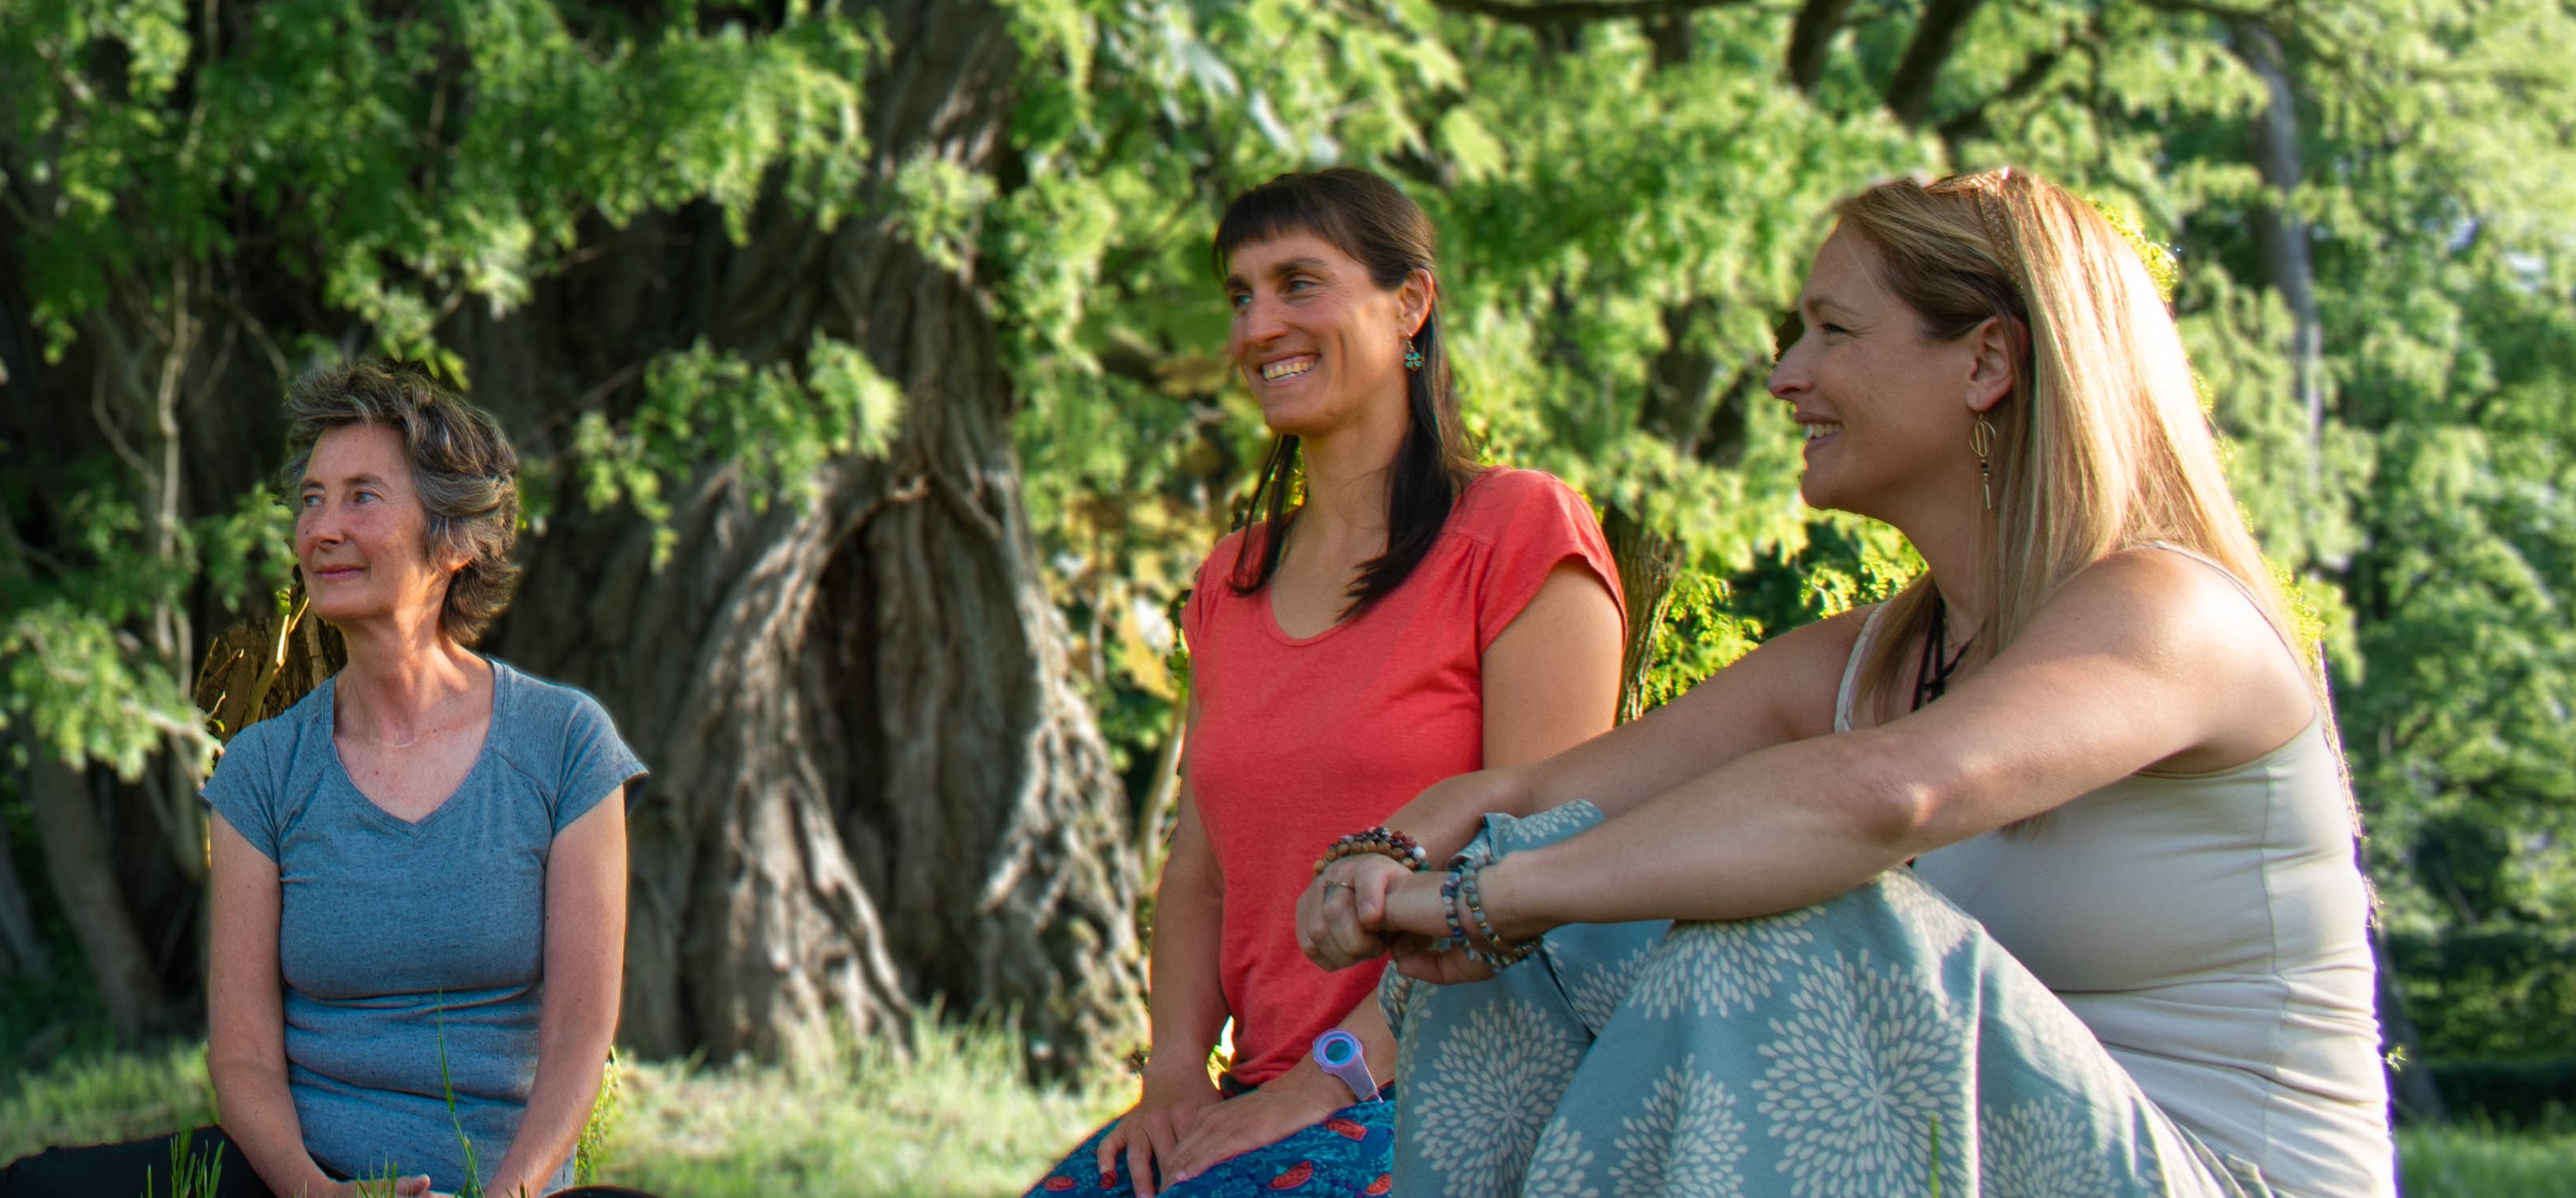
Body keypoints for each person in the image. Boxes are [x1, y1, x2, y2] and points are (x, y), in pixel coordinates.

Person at [1300, 168, 2388, 1196]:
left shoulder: (2171, 610)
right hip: (1963, 1154)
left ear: (1984, 362)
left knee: (1775, 922)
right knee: (1532, 934)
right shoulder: (1872, 657)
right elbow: (1528, 798)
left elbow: (1889, 794)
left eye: (1834, 331)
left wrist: (1497, 897)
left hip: (2220, 1175)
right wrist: (1384, 857)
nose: (1785, 376)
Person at [1020, 168, 1628, 1198]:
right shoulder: (1229, 579)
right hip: (1259, 1092)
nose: (1259, 325)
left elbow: (1539, 868)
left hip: (1456, 1100)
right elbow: (1201, 871)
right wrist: (1173, 1072)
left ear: (1409, 305)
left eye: (1298, 284)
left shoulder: (1520, 532)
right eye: (1240, 295)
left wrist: (1326, 1079)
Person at [0, 362, 641, 1198]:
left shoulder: (563, 744)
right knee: (29, 1193)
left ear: (456, 540)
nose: (321, 528)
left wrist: (506, 1196)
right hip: (299, 1179)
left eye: (362, 497)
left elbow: (580, 1029)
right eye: (311, 500)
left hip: (503, 1181)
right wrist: (314, 1196)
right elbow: (243, 1055)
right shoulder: (261, 768)